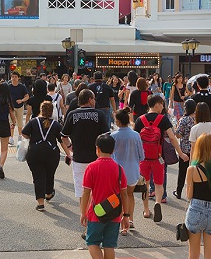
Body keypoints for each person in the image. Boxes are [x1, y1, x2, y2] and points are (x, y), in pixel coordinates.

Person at [80, 133, 130, 259]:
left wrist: (83, 213)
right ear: (113, 150)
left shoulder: (92, 167)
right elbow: (124, 194)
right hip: (115, 215)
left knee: (92, 242)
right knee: (109, 246)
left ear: (97, 149)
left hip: (96, 214)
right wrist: (126, 215)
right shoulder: (119, 169)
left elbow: (86, 192)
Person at [134, 95, 188, 222]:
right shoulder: (162, 119)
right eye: (162, 104)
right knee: (159, 184)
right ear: (157, 104)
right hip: (158, 157)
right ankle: (158, 203)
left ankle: (146, 210)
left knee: (145, 185)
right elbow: (173, 137)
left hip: (143, 158)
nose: (163, 107)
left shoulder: (140, 120)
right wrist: (180, 153)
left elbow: (135, 140)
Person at [61, 89, 109, 217]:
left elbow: (63, 136)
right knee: (98, 190)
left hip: (79, 158)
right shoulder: (99, 114)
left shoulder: (72, 114)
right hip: (97, 158)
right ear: (89, 99)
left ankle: (85, 217)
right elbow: (106, 137)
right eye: (93, 98)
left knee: (82, 191)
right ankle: (96, 217)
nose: (94, 101)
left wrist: (70, 147)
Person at [23, 101, 62, 210]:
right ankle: (49, 193)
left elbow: (24, 133)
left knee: (38, 176)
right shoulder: (56, 124)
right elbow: (62, 139)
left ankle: (40, 203)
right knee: (50, 174)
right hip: (52, 153)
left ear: (41, 110)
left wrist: (32, 139)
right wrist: (69, 153)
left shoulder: (33, 122)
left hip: (35, 152)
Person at [110, 107, 144, 234]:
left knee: (118, 197)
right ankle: (129, 219)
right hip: (133, 171)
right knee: (129, 195)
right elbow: (142, 155)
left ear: (117, 121)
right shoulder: (136, 135)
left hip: (117, 171)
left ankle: (120, 223)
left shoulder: (113, 136)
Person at [174, 99, 196, 199]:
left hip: (184, 150)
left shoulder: (184, 120)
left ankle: (179, 192)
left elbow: (178, 135)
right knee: (195, 172)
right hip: (196, 149)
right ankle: (194, 193)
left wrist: (176, 127)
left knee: (182, 172)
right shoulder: (197, 119)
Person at [8, 71, 29, 145]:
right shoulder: (8, 86)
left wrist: (22, 100)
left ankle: (20, 136)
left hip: (19, 107)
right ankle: (11, 138)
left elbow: (27, 96)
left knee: (20, 122)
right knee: (11, 123)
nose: (14, 78)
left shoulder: (22, 87)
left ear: (18, 78)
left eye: (15, 77)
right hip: (11, 107)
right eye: (12, 77)